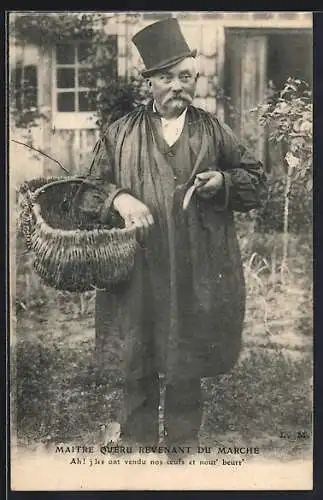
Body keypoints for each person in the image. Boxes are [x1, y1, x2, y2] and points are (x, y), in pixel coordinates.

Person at [90, 17, 267, 451]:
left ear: (194, 80)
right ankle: (137, 445)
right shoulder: (121, 133)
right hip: (138, 263)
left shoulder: (212, 130)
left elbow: (255, 179)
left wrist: (224, 181)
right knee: (138, 351)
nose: (177, 87)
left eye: (185, 77)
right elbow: (87, 190)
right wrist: (118, 200)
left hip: (196, 260)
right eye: (166, 77)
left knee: (187, 350)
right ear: (149, 81)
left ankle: (183, 448)